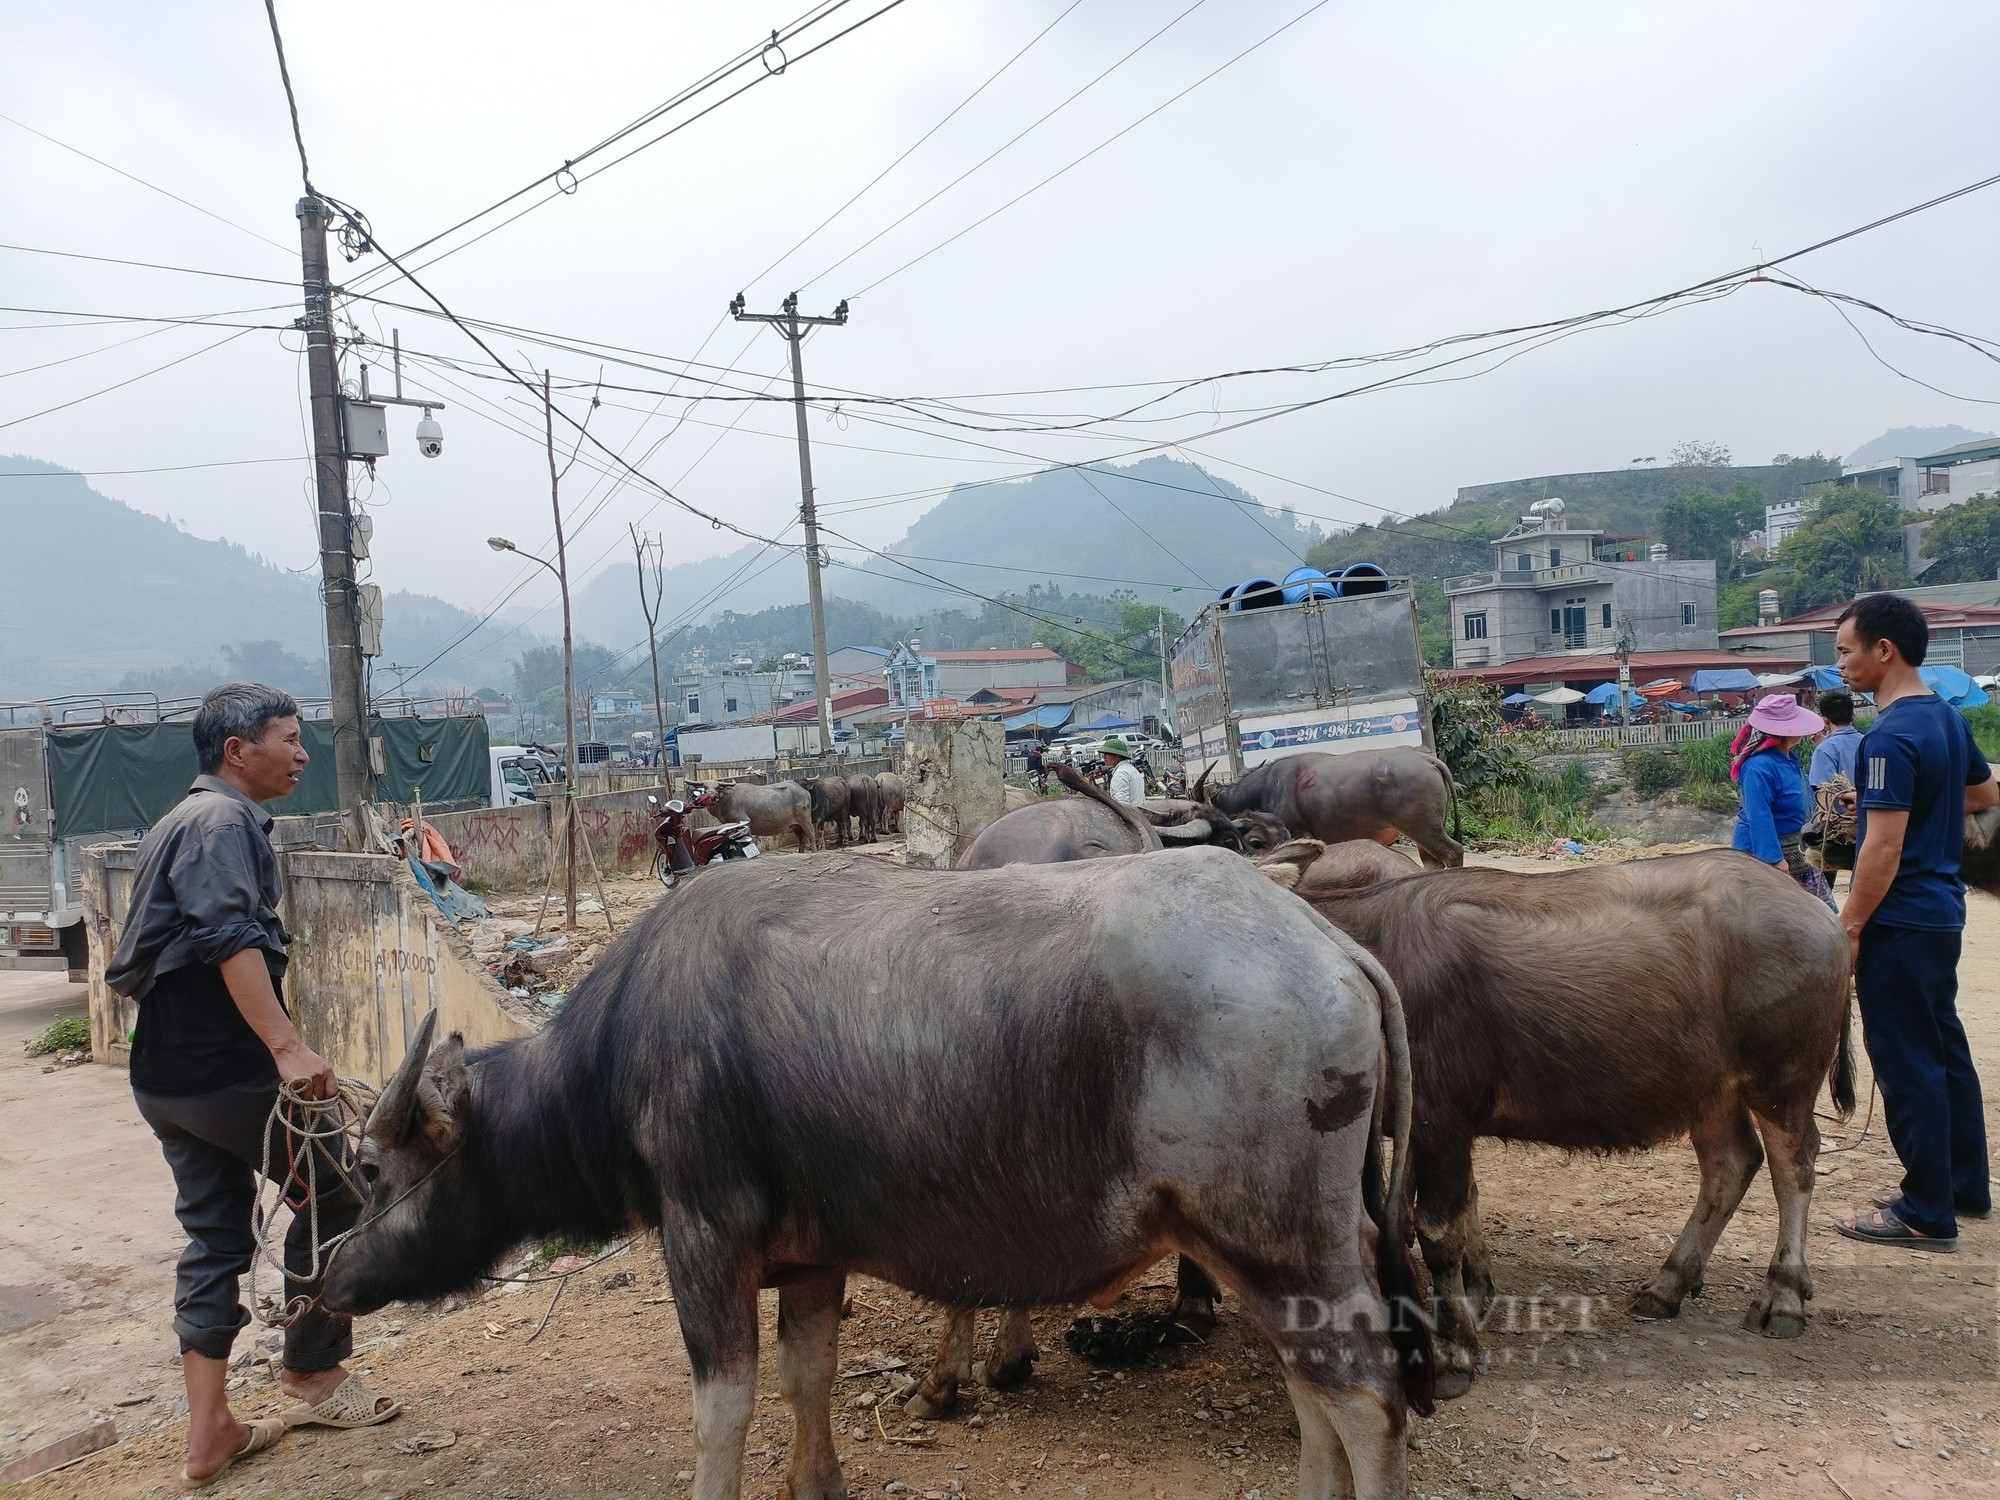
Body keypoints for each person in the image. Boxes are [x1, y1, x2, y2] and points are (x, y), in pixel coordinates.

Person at [107, 685, 403, 1486]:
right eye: (288, 737)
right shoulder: (220, 821)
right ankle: (314, 1372)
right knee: (339, 1192)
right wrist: (288, 1047)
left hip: (166, 1076)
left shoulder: (177, 820)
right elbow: (229, 937)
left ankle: (211, 1433)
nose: (303, 753)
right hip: (224, 1072)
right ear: (238, 751)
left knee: (215, 1239)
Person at [1828, 595, 1998, 1253]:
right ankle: (1963, 1187)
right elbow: (1985, 795)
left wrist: (1849, 924)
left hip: (1898, 922)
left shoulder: (1891, 735)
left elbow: (1882, 848)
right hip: (1941, 918)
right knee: (1946, 1053)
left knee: (1907, 1063)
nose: (1840, 664)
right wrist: (1886, 796)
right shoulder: (1946, 722)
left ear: (1883, 650)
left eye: (1845, 651)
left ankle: (1925, 1211)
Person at [1729, 693, 1834, 908]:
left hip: (1797, 854)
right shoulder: (1759, 767)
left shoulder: (1787, 759)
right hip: (1768, 858)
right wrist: (1774, 861)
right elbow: (1759, 815)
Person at [1809, 689, 1863, 792]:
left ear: (1825, 720)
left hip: (1842, 808)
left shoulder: (1825, 749)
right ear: (1853, 716)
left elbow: (1824, 793)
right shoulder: (1867, 741)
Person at [1101, 735, 1147, 805]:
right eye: (1104, 754)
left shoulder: (1121, 773)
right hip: (1138, 813)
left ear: (1117, 756)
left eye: (1107, 754)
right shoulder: (1131, 770)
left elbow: (1122, 804)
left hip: (1129, 814)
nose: (1104, 757)